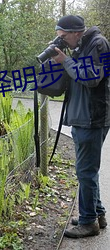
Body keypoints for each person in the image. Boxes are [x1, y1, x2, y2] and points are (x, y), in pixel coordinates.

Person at [52, 15, 110, 238]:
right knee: (87, 171)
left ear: (76, 32)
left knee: (85, 171)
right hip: (82, 117)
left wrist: (65, 60)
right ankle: (97, 214)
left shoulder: (98, 44)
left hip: (92, 118)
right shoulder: (81, 46)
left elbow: (91, 78)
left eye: (64, 37)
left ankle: (88, 223)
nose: (63, 41)